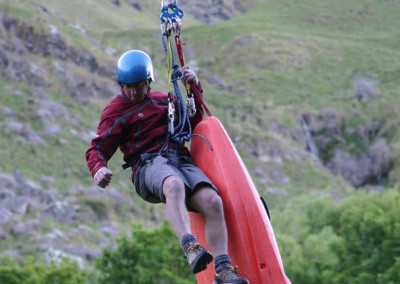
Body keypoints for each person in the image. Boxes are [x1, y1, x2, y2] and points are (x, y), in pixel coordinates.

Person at [85, 50, 249, 284]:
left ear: (148, 82)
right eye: (127, 86)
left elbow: (190, 125)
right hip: (147, 165)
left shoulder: (163, 100)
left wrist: (194, 89)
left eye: (138, 86)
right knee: (173, 185)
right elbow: (97, 148)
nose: (132, 92)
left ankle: (222, 271)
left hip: (178, 159)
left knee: (213, 201)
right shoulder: (115, 112)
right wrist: (98, 168)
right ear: (121, 84)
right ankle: (190, 246)